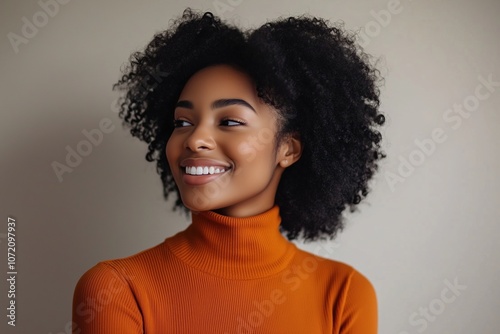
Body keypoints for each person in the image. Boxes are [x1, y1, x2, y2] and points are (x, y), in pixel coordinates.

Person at [72, 8, 386, 334]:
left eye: (230, 122)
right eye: (182, 123)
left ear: (288, 149)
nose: (194, 140)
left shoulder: (344, 295)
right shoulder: (116, 291)